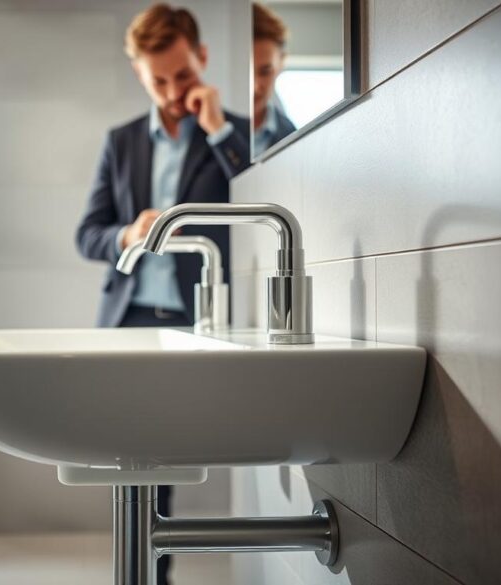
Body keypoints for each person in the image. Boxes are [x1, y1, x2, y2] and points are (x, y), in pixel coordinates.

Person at [74, 4, 251, 584]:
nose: (174, 91)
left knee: (165, 458)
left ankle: (154, 569)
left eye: (182, 74)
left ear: (202, 58)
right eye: (159, 80)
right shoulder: (121, 142)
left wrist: (219, 130)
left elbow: (261, 187)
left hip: (195, 318)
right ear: (139, 75)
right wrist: (129, 231)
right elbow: (87, 233)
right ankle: (145, 571)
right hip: (127, 318)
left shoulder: (236, 135)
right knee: (130, 457)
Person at [253, 2, 296, 154]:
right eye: (246, 73)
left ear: (281, 64)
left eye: (265, 71)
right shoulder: (201, 129)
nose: (255, 87)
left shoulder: (291, 135)